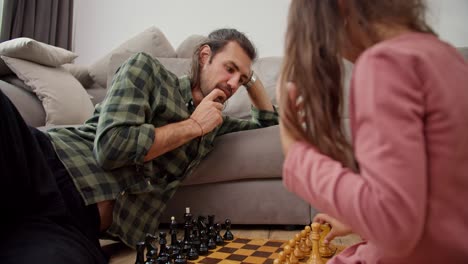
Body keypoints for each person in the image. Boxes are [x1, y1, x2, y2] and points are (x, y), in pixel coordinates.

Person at [0, 28, 278, 263]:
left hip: (74, 225)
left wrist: (250, 78)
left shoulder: (216, 123)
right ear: (205, 56)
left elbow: (268, 126)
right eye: (229, 69)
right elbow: (111, 148)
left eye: (240, 79)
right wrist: (193, 126)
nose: (233, 84)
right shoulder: (147, 70)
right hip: (43, 162)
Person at [277, 0, 468, 263]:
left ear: (341, 7)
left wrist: (295, 150)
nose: (337, 51)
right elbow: (441, 206)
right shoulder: (451, 59)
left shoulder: (385, 61)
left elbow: (394, 225)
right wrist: (362, 222)